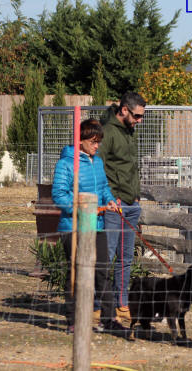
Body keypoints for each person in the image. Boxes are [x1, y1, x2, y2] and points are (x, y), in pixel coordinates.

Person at [51, 119, 129, 336]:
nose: (97, 146)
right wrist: (83, 209)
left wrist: (110, 200)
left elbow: (103, 188)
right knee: (75, 272)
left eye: (99, 142)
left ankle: (107, 318)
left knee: (103, 272)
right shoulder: (66, 164)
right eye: (93, 142)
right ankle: (73, 320)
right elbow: (59, 194)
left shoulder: (97, 163)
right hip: (73, 227)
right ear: (81, 141)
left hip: (97, 226)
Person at [98, 91, 146, 321]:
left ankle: (122, 303)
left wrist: (135, 197)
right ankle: (99, 304)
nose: (140, 120)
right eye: (137, 116)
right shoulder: (107, 132)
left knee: (126, 258)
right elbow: (100, 167)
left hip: (131, 204)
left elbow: (130, 168)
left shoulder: (130, 132)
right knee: (106, 256)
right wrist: (109, 197)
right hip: (113, 206)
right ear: (124, 110)